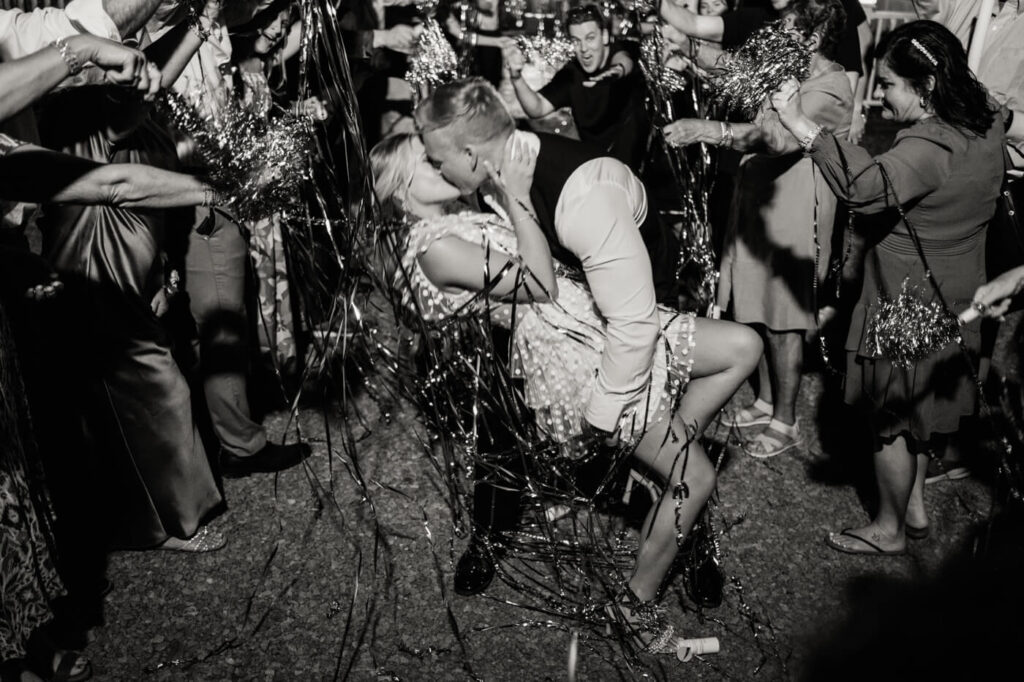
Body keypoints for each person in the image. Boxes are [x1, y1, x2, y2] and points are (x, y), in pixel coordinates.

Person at [408, 77, 761, 644]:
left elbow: (634, 324)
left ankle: (657, 558)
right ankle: (652, 476)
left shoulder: (581, 199)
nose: (436, 170)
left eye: (437, 159)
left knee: (690, 456)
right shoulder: (497, 166)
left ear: (471, 152)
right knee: (711, 395)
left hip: (625, 317)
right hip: (568, 320)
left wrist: (602, 415)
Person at [770, 20, 1003, 554]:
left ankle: (889, 528)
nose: (878, 96)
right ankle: (914, 506)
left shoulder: (929, 146)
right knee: (922, 404)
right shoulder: (987, 118)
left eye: (890, 84)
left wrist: (800, 122)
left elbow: (863, 189)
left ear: (925, 87)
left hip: (910, 296)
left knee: (891, 418)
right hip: (961, 286)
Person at [664, 0, 852, 458]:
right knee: (756, 308)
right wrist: (686, 44)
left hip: (795, 213)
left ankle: (786, 421)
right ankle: (766, 401)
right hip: (760, 205)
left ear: (811, 38)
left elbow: (777, 139)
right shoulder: (784, 64)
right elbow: (733, 66)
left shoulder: (831, 84)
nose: (773, 37)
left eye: (786, 31)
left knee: (784, 323)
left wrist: (707, 129)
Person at [169, 0, 313, 478]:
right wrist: (243, 162)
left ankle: (226, 432)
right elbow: (187, 140)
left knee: (217, 318)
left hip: (210, 191)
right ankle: (241, 447)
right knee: (221, 325)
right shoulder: (176, 36)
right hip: (202, 195)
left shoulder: (206, 31)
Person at [503, 3, 650, 172]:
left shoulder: (622, 50)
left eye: (590, 38)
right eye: (576, 41)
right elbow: (537, 108)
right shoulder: (572, 74)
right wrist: (515, 77)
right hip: (596, 164)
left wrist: (613, 73)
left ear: (604, 36)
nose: (584, 49)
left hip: (634, 166)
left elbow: (625, 62)